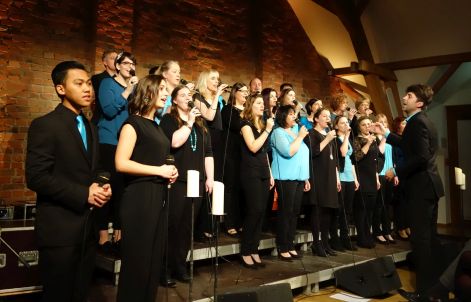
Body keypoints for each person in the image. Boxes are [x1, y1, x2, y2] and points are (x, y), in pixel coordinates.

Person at [26, 61, 112, 302]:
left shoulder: (90, 127)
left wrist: (103, 186)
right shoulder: (45, 125)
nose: (88, 89)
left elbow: (91, 170)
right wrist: (83, 193)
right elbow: (36, 177)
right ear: (60, 89)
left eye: (89, 83)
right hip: (60, 232)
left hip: (88, 230)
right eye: (79, 83)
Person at [372, 84, 444, 296]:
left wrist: (396, 170)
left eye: (409, 95)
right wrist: (385, 133)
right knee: (428, 239)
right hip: (428, 187)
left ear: (419, 103)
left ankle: (424, 292)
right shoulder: (420, 121)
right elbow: (408, 145)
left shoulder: (418, 123)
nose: (404, 98)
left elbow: (420, 157)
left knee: (421, 241)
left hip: (421, 188)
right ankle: (433, 289)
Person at [115, 74, 178, 301]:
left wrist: (169, 172)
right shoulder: (133, 123)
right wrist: (159, 171)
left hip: (158, 194)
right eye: (160, 88)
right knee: (138, 263)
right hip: (139, 198)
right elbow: (121, 163)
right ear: (147, 91)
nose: (165, 93)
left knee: (152, 262)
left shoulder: (156, 125)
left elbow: (156, 160)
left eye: (166, 90)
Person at [160, 84, 214, 284]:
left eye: (189, 95)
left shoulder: (201, 124)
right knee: (172, 225)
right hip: (177, 180)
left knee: (187, 227)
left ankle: (180, 266)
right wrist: (189, 122)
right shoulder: (169, 120)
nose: (187, 97)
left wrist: (210, 178)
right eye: (182, 95)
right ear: (174, 100)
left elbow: (208, 153)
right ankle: (164, 269)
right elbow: (174, 142)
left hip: (197, 180)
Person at [96, 51, 138, 254]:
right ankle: (103, 237)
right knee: (107, 187)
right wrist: (127, 90)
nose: (130, 66)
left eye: (133, 63)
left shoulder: (134, 88)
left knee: (123, 190)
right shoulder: (107, 84)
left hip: (126, 143)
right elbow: (109, 110)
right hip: (109, 141)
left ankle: (119, 235)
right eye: (127, 63)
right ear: (118, 65)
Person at [239, 94, 275, 268]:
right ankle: (245, 250)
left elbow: (264, 152)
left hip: (263, 171)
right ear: (251, 105)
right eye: (259, 103)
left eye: (263, 103)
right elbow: (253, 146)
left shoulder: (262, 125)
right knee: (254, 210)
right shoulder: (245, 125)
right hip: (250, 172)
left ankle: (254, 249)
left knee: (261, 213)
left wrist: (270, 173)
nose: (263, 106)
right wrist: (267, 130)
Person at [271, 105, 310, 261]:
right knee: (285, 212)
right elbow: (288, 151)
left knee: (294, 213)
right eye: (291, 114)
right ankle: (282, 245)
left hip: (299, 177)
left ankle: (290, 243)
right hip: (285, 177)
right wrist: (300, 137)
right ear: (282, 117)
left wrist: (306, 177)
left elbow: (302, 154)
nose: (294, 116)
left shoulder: (294, 132)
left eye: (295, 114)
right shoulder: (278, 132)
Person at [304, 108, 340, 257]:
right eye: (324, 116)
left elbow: (335, 159)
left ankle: (325, 242)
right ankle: (316, 244)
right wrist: (327, 139)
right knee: (318, 211)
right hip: (318, 176)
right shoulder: (311, 134)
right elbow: (312, 152)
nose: (327, 118)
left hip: (330, 176)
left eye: (328, 116)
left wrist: (337, 178)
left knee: (328, 211)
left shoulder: (330, 135)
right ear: (316, 119)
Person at [221, 83, 248, 237]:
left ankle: (241, 222)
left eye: (247, 91)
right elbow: (237, 126)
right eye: (243, 91)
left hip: (245, 154)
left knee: (242, 189)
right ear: (235, 92)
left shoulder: (248, 111)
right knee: (230, 188)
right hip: (231, 153)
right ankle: (229, 222)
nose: (245, 94)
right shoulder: (228, 110)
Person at [352, 116, 383, 248]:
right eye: (364, 124)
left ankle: (367, 234)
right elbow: (357, 157)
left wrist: (376, 178)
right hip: (362, 176)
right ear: (359, 127)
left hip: (371, 177)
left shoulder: (374, 139)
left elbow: (375, 161)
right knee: (362, 209)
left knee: (370, 209)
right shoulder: (357, 140)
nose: (367, 126)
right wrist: (368, 143)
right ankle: (362, 237)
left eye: (369, 124)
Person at [330, 115, 359, 251]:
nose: (346, 124)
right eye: (342, 123)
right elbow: (342, 153)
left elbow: (351, 160)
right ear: (336, 126)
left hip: (349, 177)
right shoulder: (335, 140)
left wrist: (355, 179)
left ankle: (345, 238)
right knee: (339, 210)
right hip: (340, 177)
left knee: (348, 210)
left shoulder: (350, 139)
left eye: (347, 122)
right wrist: (346, 136)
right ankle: (335, 239)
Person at [372, 113, 396, 244]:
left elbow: (392, 156)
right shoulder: (374, 138)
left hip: (390, 173)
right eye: (380, 122)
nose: (383, 124)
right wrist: (383, 137)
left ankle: (387, 231)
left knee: (387, 204)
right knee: (379, 205)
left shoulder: (389, 138)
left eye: (385, 122)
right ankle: (377, 232)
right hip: (380, 173)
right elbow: (379, 154)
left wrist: (394, 172)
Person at [391, 116, 410, 240]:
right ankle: (401, 228)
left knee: (409, 201)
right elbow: (394, 158)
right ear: (398, 125)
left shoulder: (408, 138)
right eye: (403, 123)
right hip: (399, 172)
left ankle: (408, 225)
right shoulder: (393, 138)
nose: (405, 125)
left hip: (408, 172)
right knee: (400, 202)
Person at [91, 49, 117, 124]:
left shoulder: (122, 80)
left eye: (117, 59)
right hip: (102, 118)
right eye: (112, 58)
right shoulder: (97, 78)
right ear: (105, 62)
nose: (116, 61)